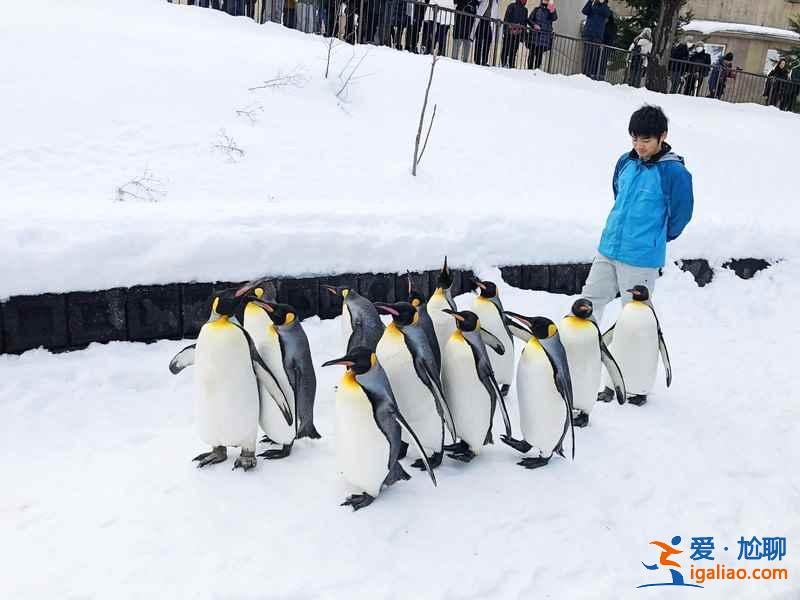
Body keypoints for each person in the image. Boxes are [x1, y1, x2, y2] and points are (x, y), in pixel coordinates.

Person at [581, 105, 693, 365]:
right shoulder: (625, 161)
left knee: (635, 319)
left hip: (641, 258)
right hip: (608, 249)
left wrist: (656, 237)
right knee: (588, 302)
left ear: (662, 137)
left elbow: (681, 214)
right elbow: (618, 194)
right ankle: (582, 363)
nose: (639, 146)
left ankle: (633, 381)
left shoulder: (674, 172)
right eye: (634, 138)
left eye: (646, 140)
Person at [581, 0, 611, 79]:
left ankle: (590, 74)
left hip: (597, 37)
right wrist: (590, 1)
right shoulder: (592, 5)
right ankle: (584, 74)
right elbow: (584, 11)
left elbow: (607, 13)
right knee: (586, 56)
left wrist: (603, 3)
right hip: (588, 34)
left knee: (593, 57)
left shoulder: (605, 8)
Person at [526, 0, 557, 70]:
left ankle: (536, 70)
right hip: (534, 37)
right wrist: (534, 25)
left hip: (544, 38)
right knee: (531, 54)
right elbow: (529, 20)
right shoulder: (536, 10)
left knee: (539, 55)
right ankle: (529, 69)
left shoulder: (550, 11)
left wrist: (551, 5)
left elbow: (554, 17)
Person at [501, 0, 529, 68]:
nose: (525, 1)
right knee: (505, 49)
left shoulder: (525, 10)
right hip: (509, 33)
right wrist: (508, 29)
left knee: (513, 51)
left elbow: (524, 23)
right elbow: (506, 19)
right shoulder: (512, 6)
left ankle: (511, 65)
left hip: (518, 34)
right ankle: (504, 64)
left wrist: (523, 34)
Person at [472, 0, 500, 66]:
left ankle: (484, 60)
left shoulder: (496, 2)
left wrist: (498, 19)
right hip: (481, 20)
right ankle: (477, 60)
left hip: (489, 22)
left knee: (488, 41)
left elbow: (496, 12)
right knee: (479, 40)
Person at [597, 9, 616, 81]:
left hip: (605, 46)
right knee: (603, 61)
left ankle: (600, 75)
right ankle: (601, 75)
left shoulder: (608, 26)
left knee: (601, 60)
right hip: (607, 46)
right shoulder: (612, 26)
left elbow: (607, 35)